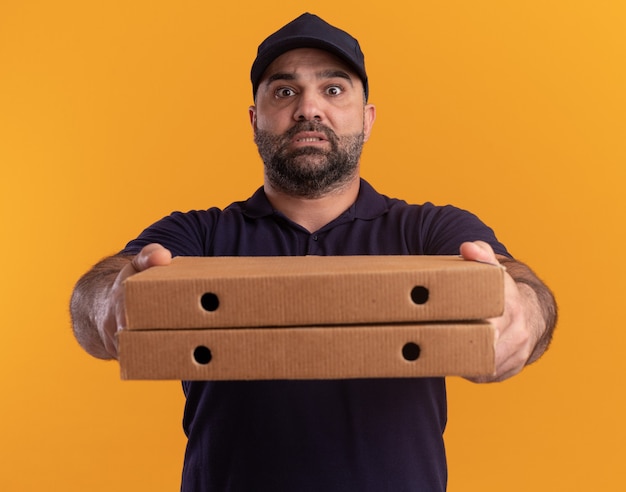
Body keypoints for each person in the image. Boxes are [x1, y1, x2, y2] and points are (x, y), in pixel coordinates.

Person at [70, 12, 557, 491]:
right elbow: (98, 291)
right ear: (255, 118)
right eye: (285, 92)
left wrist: (522, 314)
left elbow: (522, 285)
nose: (308, 108)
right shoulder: (199, 236)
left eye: (333, 89)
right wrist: (106, 305)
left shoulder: (427, 230)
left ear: (366, 120)